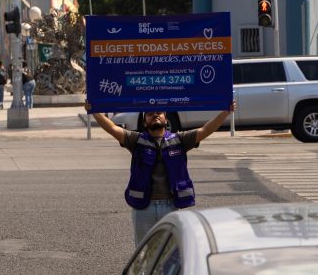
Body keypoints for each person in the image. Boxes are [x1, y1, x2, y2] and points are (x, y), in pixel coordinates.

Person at [87, 100, 237, 245]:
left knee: (168, 254)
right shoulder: (136, 141)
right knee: (144, 254)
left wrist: (225, 112)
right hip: (143, 209)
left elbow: (205, 130)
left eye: (159, 112)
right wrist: (94, 111)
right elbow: (113, 129)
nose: (155, 115)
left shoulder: (180, 140)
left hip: (170, 207)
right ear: (145, 122)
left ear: (166, 119)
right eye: (150, 114)